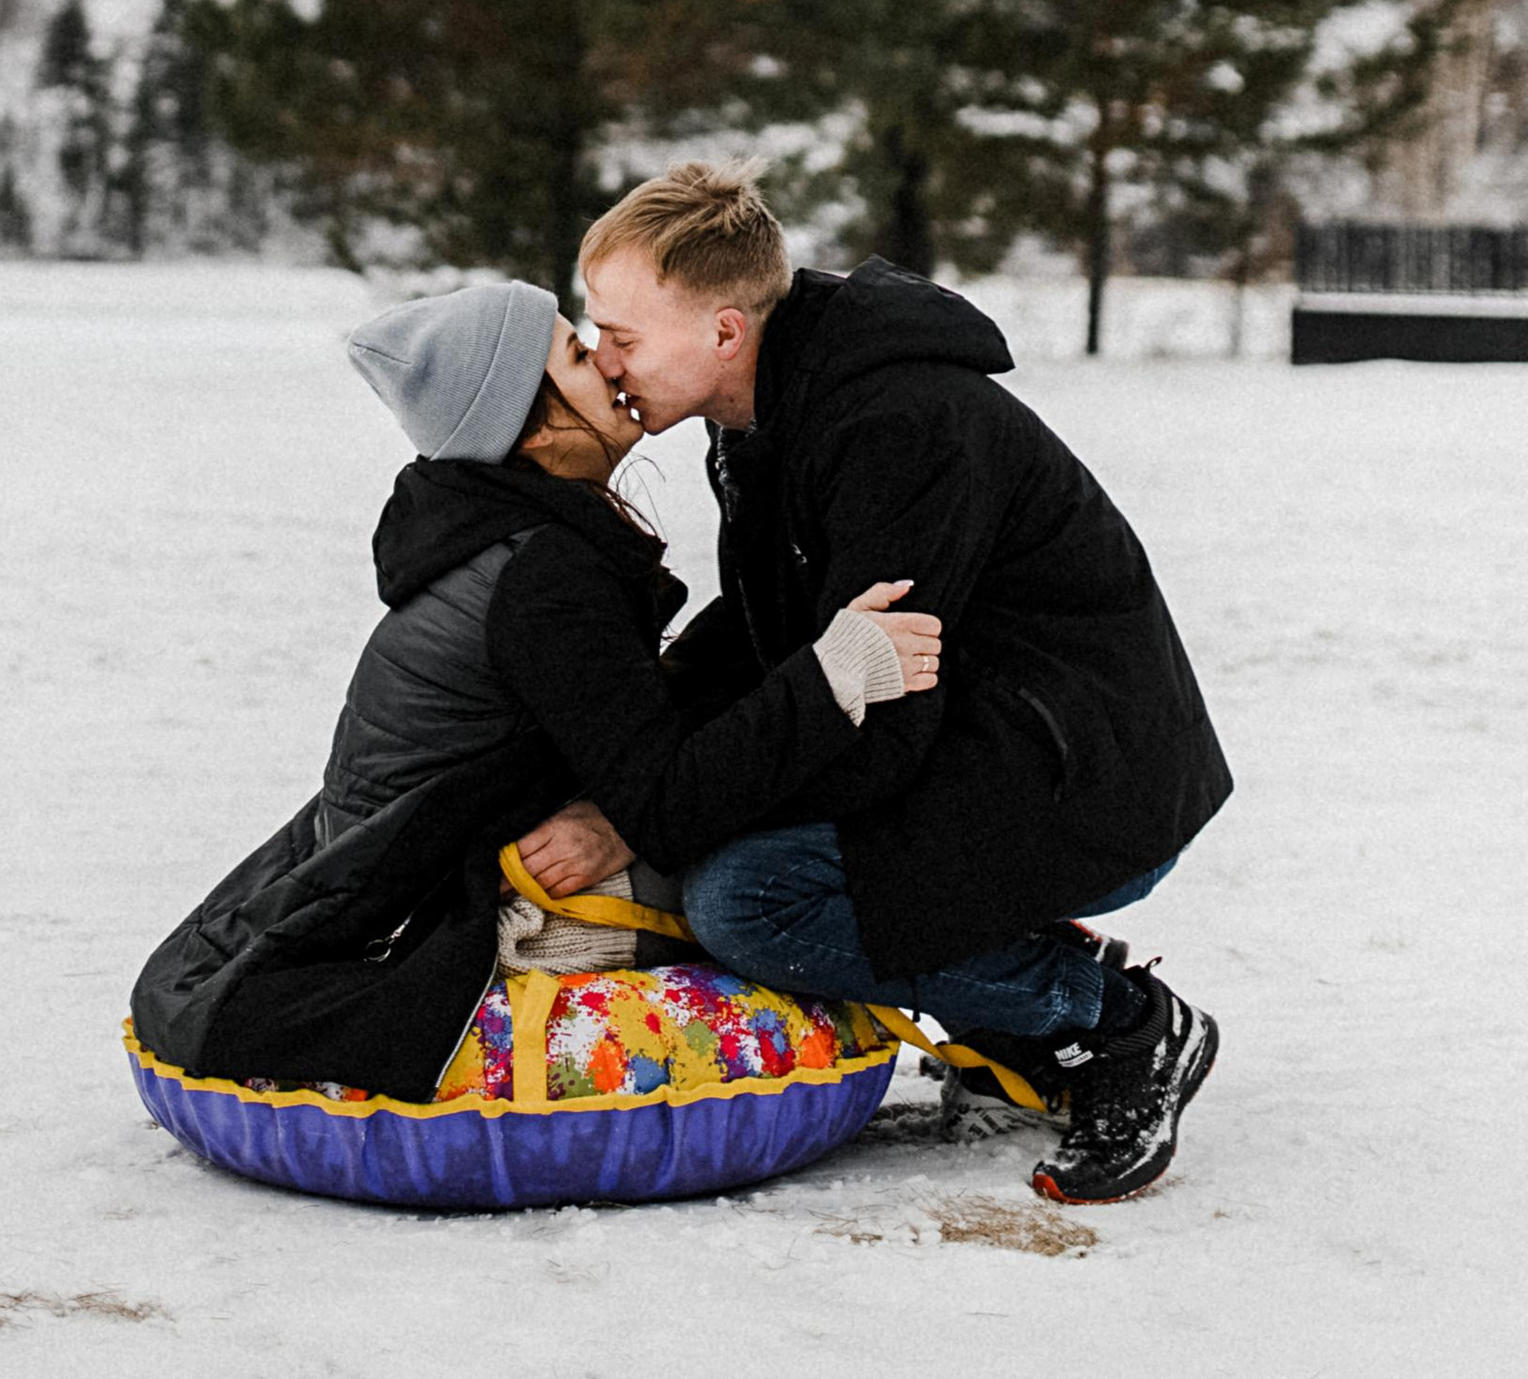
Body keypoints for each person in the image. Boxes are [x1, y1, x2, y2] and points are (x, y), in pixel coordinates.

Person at [525, 165, 1232, 1204]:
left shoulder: (895, 426)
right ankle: (1001, 973)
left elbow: (877, 727)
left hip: (1087, 774)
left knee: (748, 898)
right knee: (738, 844)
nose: (601, 358)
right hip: (982, 742)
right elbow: (772, 631)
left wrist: (657, 817)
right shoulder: (764, 414)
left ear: (724, 331)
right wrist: (645, 759)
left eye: (621, 336)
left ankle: (1113, 1023)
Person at [127, 271, 941, 1104]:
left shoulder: (508, 533)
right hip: (430, 887)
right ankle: (1039, 995)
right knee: (780, 878)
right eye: (581, 356)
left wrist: (618, 807)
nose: (614, 369)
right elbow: (666, 790)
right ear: (529, 422)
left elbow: (628, 715)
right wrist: (830, 680)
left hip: (420, 853)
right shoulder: (544, 572)